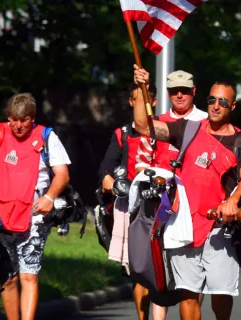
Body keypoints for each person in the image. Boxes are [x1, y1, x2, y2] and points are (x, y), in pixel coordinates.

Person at [133, 65, 241, 320]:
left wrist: (233, 200)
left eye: (222, 101)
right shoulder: (188, 129)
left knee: (220, 292)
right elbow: (143, 126)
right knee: (188, 293)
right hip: (184, 226)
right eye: (212, 99)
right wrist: (141, 89)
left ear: (232, 107)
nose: (215, 105)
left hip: (221, 227)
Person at [0, 93, 71, 320]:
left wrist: (50, 197)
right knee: (7, 277)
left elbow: (62, 174)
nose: (18, 125)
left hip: (33, 215)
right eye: (13, 119)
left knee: (29, 276)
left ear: (32, 118)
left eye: (23, 120)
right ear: (8, 117)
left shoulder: (46, 136)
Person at [97, 83, 169, 320]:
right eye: (136, 99)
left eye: (146, 99)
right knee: (138, 270)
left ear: (154, 102)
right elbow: (104, 173)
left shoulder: (165, 131)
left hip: (162, 207)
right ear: (131, 102)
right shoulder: (123, 134)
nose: (141, 103)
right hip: (131, 208)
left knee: (160, 269)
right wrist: (114, 185)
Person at [153, 70, 208, 171]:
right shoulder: (159, 121)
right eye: (174, 91)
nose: (179, 95)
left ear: (193, 90)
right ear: (168, 92)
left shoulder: (207, 121)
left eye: (184, 90)